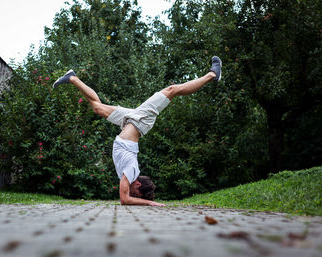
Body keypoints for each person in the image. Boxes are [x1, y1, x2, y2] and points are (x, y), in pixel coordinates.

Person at [53, 56, 222, 206]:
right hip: (140, 120)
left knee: (97, 108)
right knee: (172, 90)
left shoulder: (128, 174)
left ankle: (72, 78)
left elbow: (124, 199)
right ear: (138, 185)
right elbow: (125, 199)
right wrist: (150, 203)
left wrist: (145, 201)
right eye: (135, 193)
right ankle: (212, 75)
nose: (130, 194)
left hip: (129, 121)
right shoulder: (132, 169)